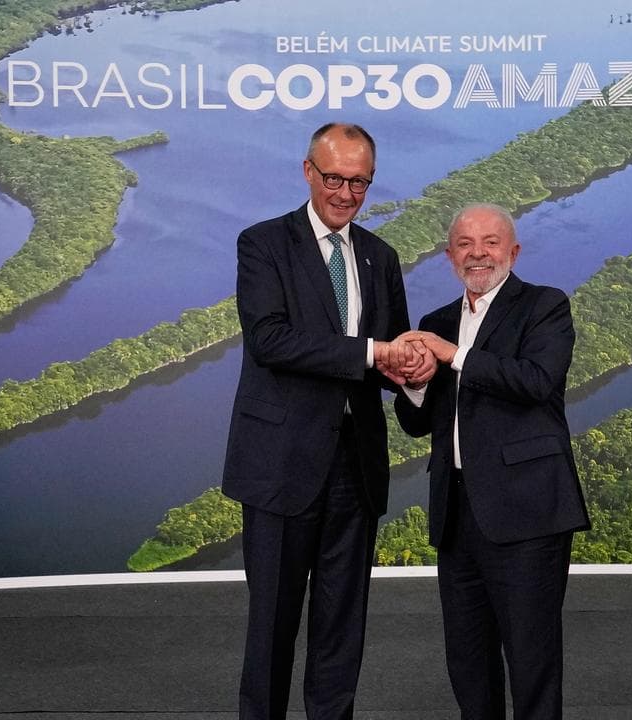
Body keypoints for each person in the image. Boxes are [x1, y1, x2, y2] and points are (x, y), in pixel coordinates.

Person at [222, 122, 434, 720]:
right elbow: (272, 341)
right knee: (271, 628)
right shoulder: (262, 244)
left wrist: (413, 373)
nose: (345, 193)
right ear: (308, 172)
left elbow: (393, 355)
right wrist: (373, 353)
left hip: (356, 472)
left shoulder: (380, 256)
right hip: (280, 469)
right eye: (334, 178)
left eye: (359, 182)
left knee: (342, 628)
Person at [392, 203, 590, 719]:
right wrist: (414, 383)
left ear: (513, 251)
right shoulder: (436, 322)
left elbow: (535, 383)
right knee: (467, 659)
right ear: (448, 255)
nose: (477, 253)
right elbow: (418, 423)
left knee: (531, 658)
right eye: (464, 244)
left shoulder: (545, 307)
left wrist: (450, 354)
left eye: (490, 242)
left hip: (528, 515)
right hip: (457, 516)